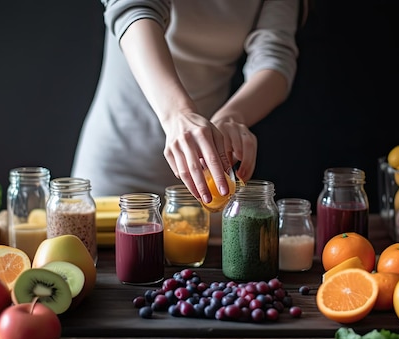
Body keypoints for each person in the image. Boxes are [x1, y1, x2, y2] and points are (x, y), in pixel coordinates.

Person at [72, 0, 307, 207]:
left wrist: (231, 117)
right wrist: (178, 114)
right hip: (117, 166)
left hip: (208, 176)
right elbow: (133, 9)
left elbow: (275, 56)